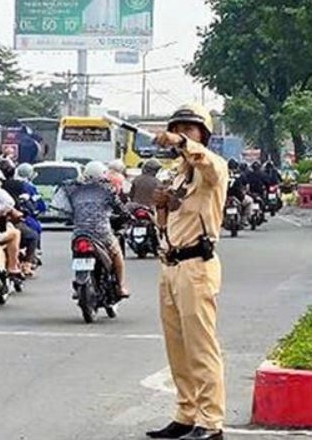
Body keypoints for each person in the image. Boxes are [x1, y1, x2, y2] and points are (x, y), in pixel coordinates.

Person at [148, 103, 227, 440]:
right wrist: (162, 207)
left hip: (197, 266)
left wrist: (180, 142)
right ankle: (186, 412)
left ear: (203, 134)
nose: (181, 133)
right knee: (177, 348)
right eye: (177, 127)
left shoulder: (213, 167)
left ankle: (210, 421)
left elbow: (206, 162)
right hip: (171, 264)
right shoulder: (176, 174)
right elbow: (168, 223)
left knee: (200, 347)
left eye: (189, 128)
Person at [53, 161, 130, 297]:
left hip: (80, 233)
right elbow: (120, 208)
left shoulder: (73, 189)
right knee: (117, 253)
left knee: (77, 254)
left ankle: (78, 284)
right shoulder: (106, 189)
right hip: (102, 233)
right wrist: (128, 216)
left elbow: (63, 210)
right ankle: (120, 286)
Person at [0, 159, 40, 275]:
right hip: (4, 222)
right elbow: (12, 207)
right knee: (32, 236)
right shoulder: (16, 187)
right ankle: (26, 265)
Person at [14, 162, 47, 253]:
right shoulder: (29, 186)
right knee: (36, 229)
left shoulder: (13, 183)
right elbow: (39, 204)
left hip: (13, 215)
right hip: (23, 216)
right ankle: (34, 252)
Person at [226, 158, 253, 224]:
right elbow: (247, 186)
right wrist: (245, 192)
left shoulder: (224, 174)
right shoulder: (241, 175)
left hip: (225, 197)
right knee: (250, 201)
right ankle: (244, 219)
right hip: (239, 197)